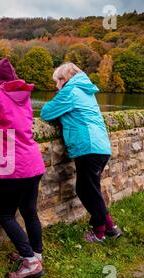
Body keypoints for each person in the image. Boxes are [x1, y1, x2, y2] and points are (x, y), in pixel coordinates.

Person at [0, 58, 46, 278]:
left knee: (5, 214)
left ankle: (30, 261)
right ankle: (37, 254)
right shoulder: (25, 96)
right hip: (33, 161)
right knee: (30, 212)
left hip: (12, 166)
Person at [40, 62, 123, 243]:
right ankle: (110, 227)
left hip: (88, 147)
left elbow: (46, 113)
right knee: (90, 189)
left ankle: (100, 232)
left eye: (57, 82)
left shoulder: (70, 92)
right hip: (100, 146)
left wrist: (58, 103)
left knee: (86, 190)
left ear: (65, 79)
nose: (56, 86)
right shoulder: (85, 90)